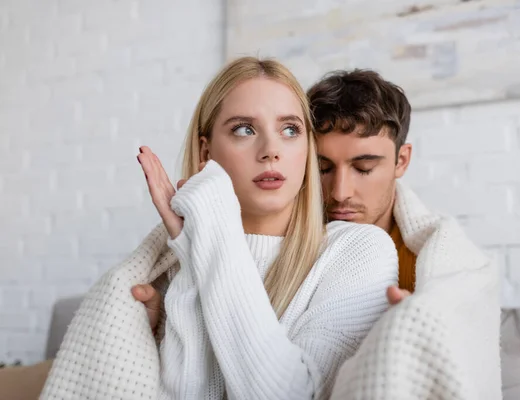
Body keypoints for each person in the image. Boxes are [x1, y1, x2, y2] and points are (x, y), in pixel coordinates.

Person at [39, 57, 398, 400]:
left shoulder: (360, 251)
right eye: (244, 129)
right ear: (206, 152)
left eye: (290, 129)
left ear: (306, 149)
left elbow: (288, 395)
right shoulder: (173, 264)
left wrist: (207, 237)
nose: (271, 149)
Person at [308, 70, 502, 399]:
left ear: (401, 160)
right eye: (322, 168)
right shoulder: (286, 245)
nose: (339, 192)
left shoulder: (439, 260)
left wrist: (422, 327)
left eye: (363, 168)